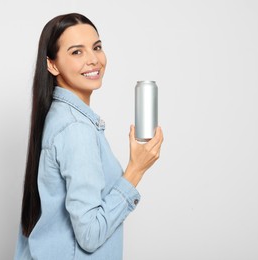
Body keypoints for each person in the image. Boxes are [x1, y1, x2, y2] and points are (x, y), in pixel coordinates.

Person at [15, 13, 163, 259]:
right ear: (52, 64)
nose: (93, 59)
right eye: (76, 52)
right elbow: (90, 235)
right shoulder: (76, 129)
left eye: (97, 47)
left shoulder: (60, 118)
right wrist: (136, 169)